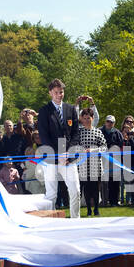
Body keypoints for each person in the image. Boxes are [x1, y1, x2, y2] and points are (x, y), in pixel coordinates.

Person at [35, 78, 80, 217]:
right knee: (51, 195)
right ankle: (51, 223)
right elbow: (44, 136)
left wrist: (68, 153)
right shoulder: (44, 111)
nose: (59, 95)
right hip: (51, 158)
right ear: (50, 93)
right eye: (56, 92)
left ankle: (75, 221)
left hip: (69, 158)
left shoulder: (70, 109)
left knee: (75, 191)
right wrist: (57, 155)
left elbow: (76, 134)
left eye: (61, 92)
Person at [71, 108, 106, 216]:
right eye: (84, 118)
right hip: (82, 165)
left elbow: (104, 147)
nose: (86, 120)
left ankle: (96, 209)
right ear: (81, 119)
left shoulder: (98, 131)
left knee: (95, 188)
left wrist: (93, 150)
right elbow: (74, 145)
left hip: (96, 164)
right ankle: (89, 210)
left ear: (93, 118)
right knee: (86, 188)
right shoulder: (79, 132)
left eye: (89, 118)